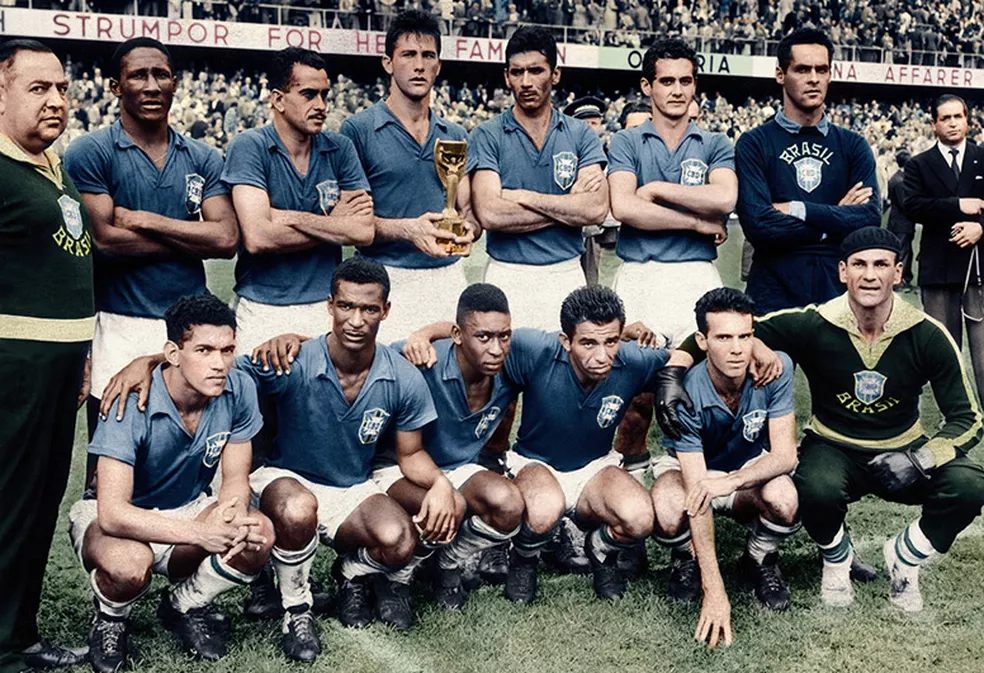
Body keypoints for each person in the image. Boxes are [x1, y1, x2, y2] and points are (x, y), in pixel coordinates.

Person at [101, 258, 458, 659]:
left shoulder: (401, 375)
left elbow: (410, 453)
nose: (355, 320)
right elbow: (210, 365)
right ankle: (296, 609)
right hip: (284, 478)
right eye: (346, 306)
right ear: (329, 305)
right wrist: (147, 361)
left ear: (385, 311)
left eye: (369, 309)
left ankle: (350, 576)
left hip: (350, 487)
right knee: (294, 507)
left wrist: (441, 483)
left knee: (399, 541)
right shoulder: (289, 360)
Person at [662, 227, 984, 613]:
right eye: (860, 265)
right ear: (842, 271)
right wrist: (672, 374)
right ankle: (836, 557)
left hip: (903, 449)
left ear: (899, 273)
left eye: (881, 264)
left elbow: (968, 418)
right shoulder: (814, 322)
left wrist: (921, 459)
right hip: (834, 447)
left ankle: (906, 555)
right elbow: (726, 331)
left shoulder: (927, 333)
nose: (870, 275)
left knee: (969, 483)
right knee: (810, 485)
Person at [255, 283, 524, 610]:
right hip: (397, 465)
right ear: (457, 335)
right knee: (440, 508)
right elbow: (355, 348)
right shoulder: (420, 358)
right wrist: (296, 340)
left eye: (504, 337)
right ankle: (389, 579)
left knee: (508, 503)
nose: (496, 348)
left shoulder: (514, 360)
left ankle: (444, 565)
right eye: (484, 338)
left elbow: (559, 342)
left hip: (451, 468)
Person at [412, 286, 681, 603]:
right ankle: (524, 559)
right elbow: (478, 332)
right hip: (536, 464)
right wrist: (426, 333)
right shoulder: (534, 349)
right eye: (588, 343)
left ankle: (600, 549)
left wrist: (757, 350)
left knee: (639, 518)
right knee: (542, 511)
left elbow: (689, 355)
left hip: (596, 468)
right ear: (565, 341)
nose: (601, 355)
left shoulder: (632, 360)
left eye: (610, 341)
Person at [69, 294, 273, 673]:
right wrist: (201, 534)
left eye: (227, 350)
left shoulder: (239, 386)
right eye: (204, 350)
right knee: (129, 565)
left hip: (188, 506)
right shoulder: (130, 401)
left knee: (257, 531)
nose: (219, 363)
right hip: (119, 519)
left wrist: (230, 513)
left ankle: (185, 603)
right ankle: (111, 620)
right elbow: (112, 513)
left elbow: (235, 479)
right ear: (173, 353)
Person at [64, 38, 238, 449]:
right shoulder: (91, 151)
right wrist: (193, 238)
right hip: (119, 321)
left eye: (160, 74)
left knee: (188, 447)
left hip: (189, 329)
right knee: (111, 454)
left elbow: (227, 238)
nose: (151, 85)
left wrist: (145, 221)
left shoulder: (202, 156)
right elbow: (105, 241)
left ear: (175, 83)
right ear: (115, 86)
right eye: (138, 75)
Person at [606, 39, 736, 563]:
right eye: (667, 81)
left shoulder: (716, 142)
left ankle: (689, 516)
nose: (677, 90)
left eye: (686, 81)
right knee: (634, 400)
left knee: (695, 395)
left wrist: (655, 191)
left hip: (695, 279)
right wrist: (695, 219)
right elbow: (623, 207)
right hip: (639, 275)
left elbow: (725, 198)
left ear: (695, 87)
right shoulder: (626, 140)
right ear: (648, 86)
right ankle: (631, 517)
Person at [0, 39, 92, 673]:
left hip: (61, 365)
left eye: (61, 87)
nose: (56, 99)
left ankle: (20, 634)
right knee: (9, 500)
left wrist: (81, 350)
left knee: (38, 500)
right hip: (16, 366)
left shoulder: (49, 167)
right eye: (38, 88)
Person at [650, 288, 799, 650]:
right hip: (695, 469)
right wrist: (714, 590)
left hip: (744, 466)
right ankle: (686, 557)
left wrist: (732, 482)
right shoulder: (684, 390)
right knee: (669, 506)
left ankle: (759, 556)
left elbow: (785, 456)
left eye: (745, 336)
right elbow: (698, 492)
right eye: (723, 337)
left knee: (784, 496)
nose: (736, 349)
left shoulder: (774, 367)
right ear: (702, 341)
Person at [221, 47, 373, 355]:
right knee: (257, 401)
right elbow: (258, 237)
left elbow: (364, 232)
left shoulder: (340, 148)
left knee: (322, 401)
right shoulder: (250, 147)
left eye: (324, 95)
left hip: (325, 306)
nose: (320, 105)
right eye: (308, 94)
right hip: (262, 306)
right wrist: (333, 224)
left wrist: (286, 217)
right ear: (278, 99)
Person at [340, 10, 476, 342]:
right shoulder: (358, 130)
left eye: (428, 55)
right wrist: (408, 230)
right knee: (386, 386)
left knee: (449, 385)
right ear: (388, 62)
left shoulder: (454, 133)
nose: (419, 65)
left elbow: (467, 208)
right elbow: (348, 226)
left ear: (438, 66)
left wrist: (468, 230)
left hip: (447, 277)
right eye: (408, 55)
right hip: (385, 279)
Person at [468, 26, 608, 331]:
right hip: (507, 273)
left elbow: (596, 209)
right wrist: (569, 207)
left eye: (536, 71)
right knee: (503, 372)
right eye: (517, 72)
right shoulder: (487, 134)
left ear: (555, 74)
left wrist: (521, 196)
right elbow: (490, 212)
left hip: (566, 273)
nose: (526, 82)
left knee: (565, 371)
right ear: (507, 77)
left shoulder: (580, 133)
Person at [735, 28, 880, 315]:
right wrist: (835, 217)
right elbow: (759, 225)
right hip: (772, 290)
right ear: (780, 74)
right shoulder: (754, 143)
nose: (813, 78)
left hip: (838, 291)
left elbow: (869, 217)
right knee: (775, 363)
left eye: (821, 69)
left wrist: (798, 209)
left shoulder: (852, 145)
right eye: (802, 69)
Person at [901, 94, 984, 405]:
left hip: (978, 269)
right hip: (938, 269)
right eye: (945, 118)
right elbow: (912, 206)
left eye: (957, 117)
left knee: (983, 351)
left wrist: (981, 227)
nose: (952, 123)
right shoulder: (919, 164)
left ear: (968, 120)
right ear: (933, 124)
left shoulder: (982, 156)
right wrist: (957, 206)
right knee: (944, 348)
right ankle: (956, 413)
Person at [563, 95, 609, 286]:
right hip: (565, 227)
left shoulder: (606, 150)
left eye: (594, 122)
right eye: (585, 123)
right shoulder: (565, 149)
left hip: (592, 230)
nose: (590, 127)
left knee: (590, 281)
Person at [885, 149, 914, 289]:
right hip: (902, 222)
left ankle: (904, 277)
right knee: (902, 251)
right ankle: (899, 280)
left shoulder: (896, 178)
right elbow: (905, 204)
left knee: (903, 250)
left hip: (898, 220)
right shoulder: (900, 181)